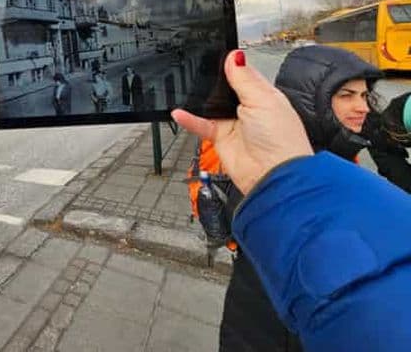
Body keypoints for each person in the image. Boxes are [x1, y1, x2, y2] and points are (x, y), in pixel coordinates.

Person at [172, 50, 411, 352]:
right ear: (311, 97)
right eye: (347, 95)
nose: (362, 107)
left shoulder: (335, 154)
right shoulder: (273, 163)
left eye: (364, 96)